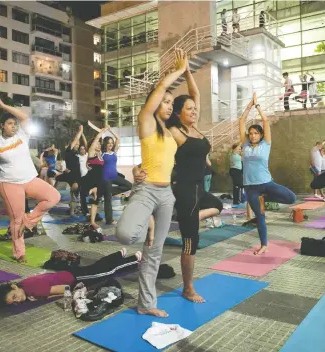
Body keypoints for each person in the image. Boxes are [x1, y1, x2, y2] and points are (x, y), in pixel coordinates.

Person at [116, 49, 187, 318]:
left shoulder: (169, 133)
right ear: (154, 103)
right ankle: (145, 220)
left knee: (154, 252)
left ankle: (146, 304)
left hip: (166, 194)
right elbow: (159, 88)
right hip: (146, 191)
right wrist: (177, 72)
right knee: (125, 235)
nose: (169, 105)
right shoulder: (146, 122)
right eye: (166, 101)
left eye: (171, 103)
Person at [165, 62, 224, 303]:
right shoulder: (175, 132)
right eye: (188, 109)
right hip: (187, 190)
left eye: (194, 108)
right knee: (191, 243)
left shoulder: (194, 129)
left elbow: (196, 93)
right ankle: (188, 288)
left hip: (202, 188)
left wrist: (187, 69)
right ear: (178, 113)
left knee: (218, 205)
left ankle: (191, 217)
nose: (193, 111)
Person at [0, 93, 61, 264]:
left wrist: (4, 105)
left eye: (14, 124)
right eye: (9, 124)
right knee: (15, 219)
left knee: (54, 197)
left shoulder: (22, 136)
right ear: (1, 126)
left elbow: (25, 117)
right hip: (9, 184)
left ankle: (28, 221)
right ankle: (19, 253)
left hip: (30, 179)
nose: (14, 126)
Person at [238, 92, 296, 255]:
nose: (252, 135)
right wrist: (249, 106)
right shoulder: (245, 145)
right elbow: (241, 121)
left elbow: (265, 121)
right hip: (251, 187)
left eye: (256, 133)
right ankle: (264, 245)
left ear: (261, 135)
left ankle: (266, 198)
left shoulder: (266, 144)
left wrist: (257, 106)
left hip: (266, 183)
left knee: (291, 198)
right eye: (251, 133)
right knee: (260, 217)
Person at [0, 249, 141, 308]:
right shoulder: (24, 285)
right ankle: (118, 254)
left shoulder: (32, 289)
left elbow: (66, 289)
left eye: (14, 296)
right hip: (67, 273)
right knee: (96, 268)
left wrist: (63, 301)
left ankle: (134, 259)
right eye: (14, 302)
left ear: (14, 287)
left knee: (105, 273)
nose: (19, 299)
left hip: (73, 278)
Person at [86, 122, 132, 225]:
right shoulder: (102, 153)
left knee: (128, 185)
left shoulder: (114, 151)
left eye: (112, 142)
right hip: (106, 177)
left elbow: (118, 139)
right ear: (105, 144)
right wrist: (102, 132)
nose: (111, 144)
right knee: (108, 199)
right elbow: (93, 153)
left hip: (114, 176)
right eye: (109, 143)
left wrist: (110, 131)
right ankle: (109, 219)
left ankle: (107, 192)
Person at [55, 125, 87, 216]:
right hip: (71, 175)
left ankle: (72, 210)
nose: (77, 145)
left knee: (76, 194)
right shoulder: (68, 151)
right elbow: (76, 138)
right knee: (74, 188)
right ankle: (70, 196)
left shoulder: (77, 154)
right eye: (75, 144)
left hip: (77, 175)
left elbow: (84, 145)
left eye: (78, 144)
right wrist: (80, 131)